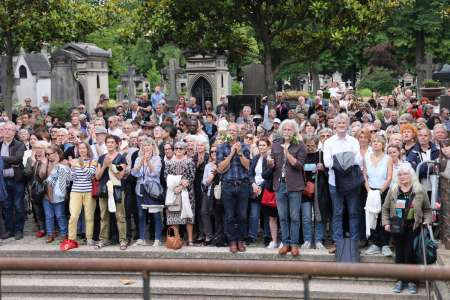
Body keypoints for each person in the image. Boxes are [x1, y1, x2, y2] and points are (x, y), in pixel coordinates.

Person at [382, 163, 432, 294]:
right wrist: (386, 223)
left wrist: (427, 221)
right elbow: (385, 208)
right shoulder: (393, 190)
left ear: (411, 175)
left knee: (410, 253)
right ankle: (400, 280)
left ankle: (412, 282)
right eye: (400, 174)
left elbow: (427, 209)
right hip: (396, 226)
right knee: (399, 254)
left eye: (405, 174)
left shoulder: (419, 190)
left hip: (413, 226)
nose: (403, 177)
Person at [323, 113, 362, 253]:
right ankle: (337, 242)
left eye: (344, 123)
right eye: (339, 123)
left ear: (347, 125)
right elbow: (327, 162)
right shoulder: (328, 142)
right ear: (334, 125)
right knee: (337, 213)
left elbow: (358, 160)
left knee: (353, 212)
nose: (341, 125)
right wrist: (347, 159)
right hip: (335, 182)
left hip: (352, 182)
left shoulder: (353, 141)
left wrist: (339, 162)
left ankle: (354, 242)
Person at [270, 119, 306, 257]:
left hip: (295, 186)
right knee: (283, 217)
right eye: (284, 129)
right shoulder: (275, 145)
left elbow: (299, 165)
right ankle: (285, 243)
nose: (286, 132)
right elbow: (272, 166)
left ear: (294, 131)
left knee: (295, 217)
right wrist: (270, 163)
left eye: (289, 130)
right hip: (280, 185)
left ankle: (294, 244)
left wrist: (287, 154)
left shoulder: (300, 145)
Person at [217, 123, 251, 253]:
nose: (232, 132)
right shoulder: (221, 147)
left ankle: (241, 240)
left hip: (242, 185)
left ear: (238, 133)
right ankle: (232, 241)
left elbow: (248, 166)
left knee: (242, 215)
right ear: (226, 132)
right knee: (229, 216)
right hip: (228, 185)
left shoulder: (245, 146)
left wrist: (240, 153)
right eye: (230, 130)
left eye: (234, 130)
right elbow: (220, 168)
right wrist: (231, 154)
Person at [62, 142, 97, 250]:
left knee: (89, 216)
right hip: (76, 191)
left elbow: (90, 175)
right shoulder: (74, 161)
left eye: (83, 148)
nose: (81, 150)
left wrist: (81, 165)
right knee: (73, 216)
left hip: (88, 192)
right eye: (79, 148)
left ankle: (89, 238)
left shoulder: (93, 161)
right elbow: (71, 178)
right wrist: (71, 168)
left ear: (87, 149)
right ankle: (72, 239)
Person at [95, 135, 128, 250]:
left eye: (112, 142)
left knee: (120, 216)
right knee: (104, 216)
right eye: (108, 142)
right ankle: (103, 239)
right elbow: (97, 176)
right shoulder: (101, 158)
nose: (109, 144)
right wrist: (104, 165)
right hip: (104, 190)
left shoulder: (121, 158)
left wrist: (111, 166)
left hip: (117, 190)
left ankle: (123, 240)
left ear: (116, 144)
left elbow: (120, 176)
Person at [363, 135, 393, 256]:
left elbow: (389, 177)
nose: (376, 143)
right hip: (370, 190)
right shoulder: (366, 157)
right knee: (372, 216)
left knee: (383, 217)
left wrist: (380, 191)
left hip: (383, 190)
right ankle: (375, 243)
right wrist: (369, 190)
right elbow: (364, 175)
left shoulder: (388, 158)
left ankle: (385, 244)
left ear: (383, 144)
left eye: (378, 142)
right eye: (374, 141)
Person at [131, 138, 162, 246]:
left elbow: (155, 173)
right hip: (140, 190)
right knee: (140, 215)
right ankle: (142, 238)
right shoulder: (138, 158)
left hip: (152, 190)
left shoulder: (157, 158)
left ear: (153, 148)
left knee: (156, 215)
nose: (147, 149)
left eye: (149, 147)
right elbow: (134, 173)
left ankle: (157, 239)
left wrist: (148, 161)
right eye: (145, 147)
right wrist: (140, 163)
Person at [164, 141, 196, 245]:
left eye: (180, 148)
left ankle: (190, 240)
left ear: (185, 150)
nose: (178, 150)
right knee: (174, 216)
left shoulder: (190, 161)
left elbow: (192, 176)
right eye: (176, 148)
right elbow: (166, 177)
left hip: (187, 191)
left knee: (188, 217)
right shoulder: (168, 162)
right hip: (173, 191)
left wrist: (182, 185)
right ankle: (176, 240)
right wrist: (177, 184)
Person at [0, 122, 26, 240]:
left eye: (10, 130)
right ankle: (9, 230)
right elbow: (12, 160)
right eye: (5, 129)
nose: (7, 131)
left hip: (17, 180)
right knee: (6, 206)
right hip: (3, 181)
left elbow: (17, 159)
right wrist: (9, 160)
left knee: (18, 205)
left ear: (14, 132)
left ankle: (19, 230)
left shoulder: (19, 145)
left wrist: (1, 159)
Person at [41, 145, 71, 243]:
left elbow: (65, 180)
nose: (48, 156)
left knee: (60, 215)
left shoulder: (64, 163)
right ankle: (50, 234)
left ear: (57, 153)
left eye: (49, 154)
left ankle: (63, 234)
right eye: (46, 154)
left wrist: (56, 164)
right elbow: (41, 175)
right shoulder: (46, 163)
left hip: (58, 195)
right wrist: (45, 164)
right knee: (48, 215)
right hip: (46, 194)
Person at [301, 134, 326, 250]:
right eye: (307, 145)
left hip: (319, 190)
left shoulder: (321, 155)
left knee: (319, 216)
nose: (310, 147)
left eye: (312, 145)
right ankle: (307, 239)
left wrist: (323, 168)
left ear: (316, 145)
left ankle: (319, 240)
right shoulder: (302, 156)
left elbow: (328, 173)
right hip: (305, 191)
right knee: (306, 217)